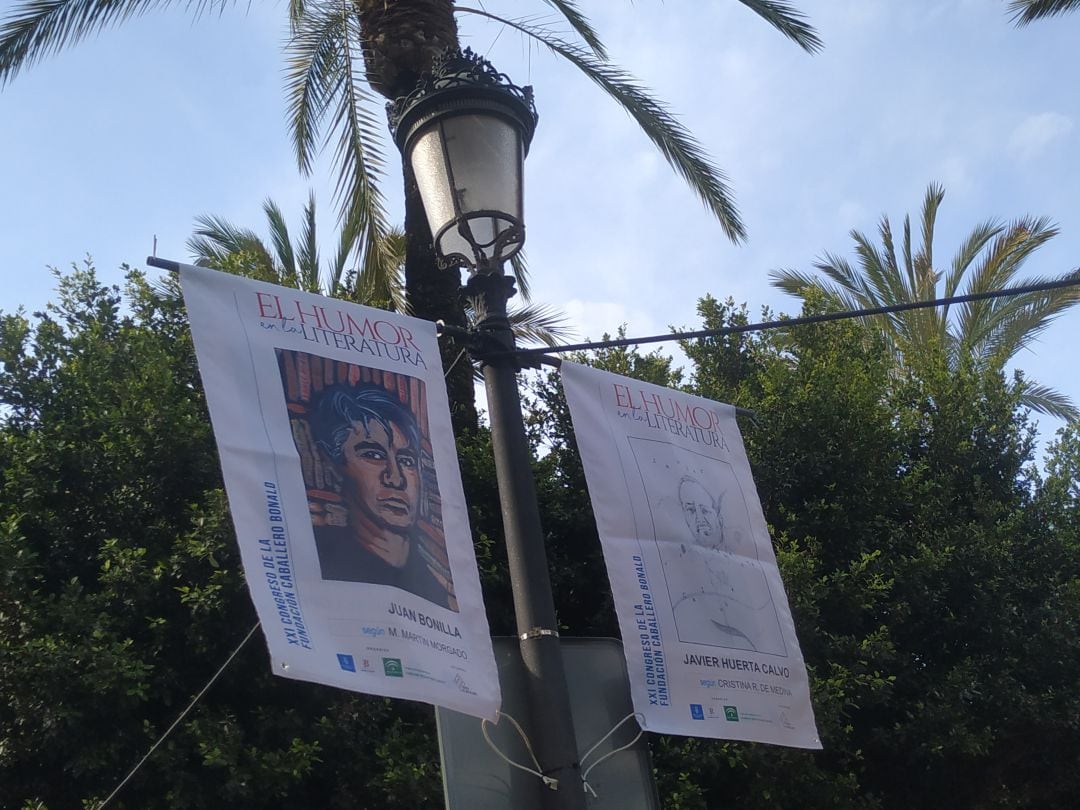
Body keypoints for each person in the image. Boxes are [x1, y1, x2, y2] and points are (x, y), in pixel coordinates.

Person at [309, 382, 453, 610]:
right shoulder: (316, 561)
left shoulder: (438, 592)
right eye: (374, 455)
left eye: (406, 461)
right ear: (335, 465)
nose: (395, 478)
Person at [664, 475, 784, 654]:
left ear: (718, 516)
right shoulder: (680, 581)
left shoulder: (750, 571)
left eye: (704, 510)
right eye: (690, 510)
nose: (699, 519)